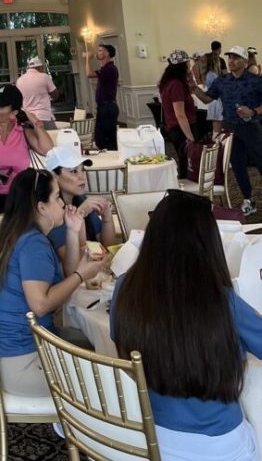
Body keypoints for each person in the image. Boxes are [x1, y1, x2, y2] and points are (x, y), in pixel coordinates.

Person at [111, 189, 262, 461]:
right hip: (220, 446)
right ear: (209, 244)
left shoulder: (125, 287)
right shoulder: (222, 301)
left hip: (150, 438)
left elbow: (123, 353)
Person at [0, 168, 104, 398]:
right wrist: (81, 275)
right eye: (57, 197)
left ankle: (70, 421)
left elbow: (68, 272)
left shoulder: (21, 233)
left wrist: (72, 230)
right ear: (41, 207)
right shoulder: (33, 244)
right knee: (112, 377)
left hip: (18, 348)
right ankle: (77, 423)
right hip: (25, 362)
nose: (62, 203)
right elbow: (40, 304)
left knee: (95, 341)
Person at [193, 45, 262, 216]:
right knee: (238, 166)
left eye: (236, 58)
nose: (231, 61)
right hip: (230, 128)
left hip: (251, 128)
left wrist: (253, 111)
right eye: (230, 57)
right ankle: (248, 199)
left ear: (245, 61)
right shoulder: (222, 81)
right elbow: (208, 98)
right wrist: (193, 88)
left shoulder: (256, 81)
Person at [0, 84, 53, 215]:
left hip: (22, 200)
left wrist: (35, 122)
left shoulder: (23, 131)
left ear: (14, 113)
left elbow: (48, 150)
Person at [44, 147, 116, 275]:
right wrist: (79, 215)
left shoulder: (81, 200)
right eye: (73, 171)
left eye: (82, 170)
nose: (82, 177)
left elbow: (108, 249)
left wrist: (107, 218)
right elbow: (71, 270)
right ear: (54, 176)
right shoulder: (52, 213)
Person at [158, 49, 199, 178]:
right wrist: (190, 138)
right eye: (187, 64)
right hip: (180, 128)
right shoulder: (176, 84)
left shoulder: (169, 82)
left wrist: (191, 81)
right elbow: (180, 114)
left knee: (185, 161)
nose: (189, 67)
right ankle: (187, 189)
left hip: (174, 127)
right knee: (187, 163)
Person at [86, 43, 119, 150]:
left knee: (107, 139)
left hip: (108, 107)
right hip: (103, 107)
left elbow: (89, 74)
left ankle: (113, 161)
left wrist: (88, 59)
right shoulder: (105, 68)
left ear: (107, 53)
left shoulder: (110, 68)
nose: (98, 52)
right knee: (100, 138)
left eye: (100, 50)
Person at [16, 57, 58, 129]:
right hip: (44, 117)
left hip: (27, 118)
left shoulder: (19, 80)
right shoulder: (44, 77)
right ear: (40, 67)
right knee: (52, 138)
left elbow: (18, 99)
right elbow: (55, 94)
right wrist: (51, 98)